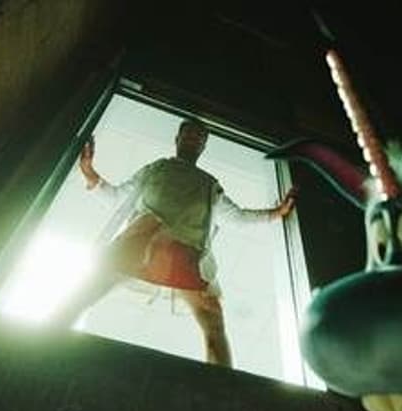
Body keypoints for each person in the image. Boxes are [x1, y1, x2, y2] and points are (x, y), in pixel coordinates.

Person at [54, 118, 297, 367]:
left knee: (214, 324)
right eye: (188, 134)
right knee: (83, 294)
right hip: (139, 244)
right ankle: (46, 344)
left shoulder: (209, 185)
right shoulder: (156, 169)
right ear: (177, 139)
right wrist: (88, 170)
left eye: (199, 138)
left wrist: (276, 213)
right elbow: (118, 198)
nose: (193, 140)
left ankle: (220, 382)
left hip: (184, 255)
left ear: (203, 147)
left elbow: (238, 218)